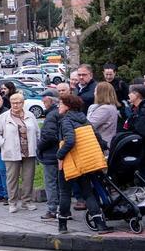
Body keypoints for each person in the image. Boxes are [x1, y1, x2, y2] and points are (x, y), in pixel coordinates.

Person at [55, 94, 112, 234]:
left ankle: (62, 226)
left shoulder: (66, 121)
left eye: (61, 104)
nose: (58, 106)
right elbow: (97, 137)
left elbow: (70, 141)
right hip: (85, 163)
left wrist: (59, 155)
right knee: (88, 193)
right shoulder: (83, 118)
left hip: (70, 162)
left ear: (67, 106)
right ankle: (100, 225)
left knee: (64, 193)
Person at [0, 92, 40, 214]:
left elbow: (37, 132)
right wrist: (3, 143)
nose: (16, 105)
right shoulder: (3, 117)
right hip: (11, 152)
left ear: (23, 103)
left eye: (18, 103)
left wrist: (37, 145)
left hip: (29, 152)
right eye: (13, 103)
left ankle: (26, 201)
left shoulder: (30, 115)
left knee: (28, 178)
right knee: (12, 178)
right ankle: (12, 202)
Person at [37, 88, 65, 221]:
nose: (42, 101)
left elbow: (48, 136)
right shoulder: (60, 112)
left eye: (44, 98)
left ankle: (52, 210)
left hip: (51, 154)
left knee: (51, 183)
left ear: (50, 99)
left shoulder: (51, 115)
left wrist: (39, 148)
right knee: (60, 183)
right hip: (59, 153)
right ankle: (63, 210)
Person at [87, 81, 120, 147]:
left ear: (101, 93)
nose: (94, 93)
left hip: (101, 144)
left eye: (95, 91)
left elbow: (89, 125)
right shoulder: (111, 106)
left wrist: (91, 110)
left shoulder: (105, 109)